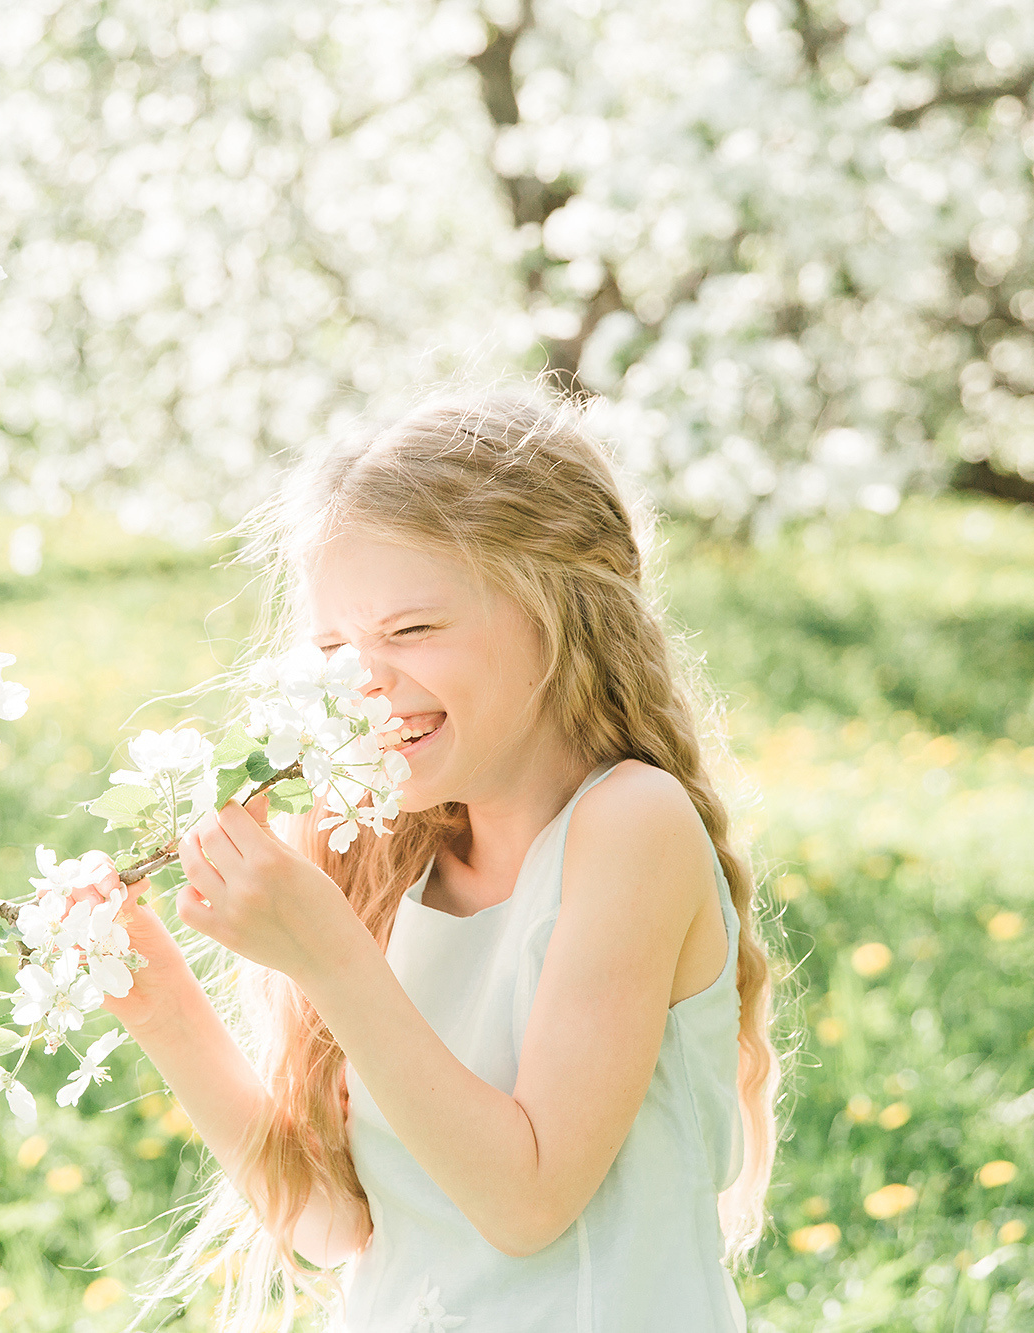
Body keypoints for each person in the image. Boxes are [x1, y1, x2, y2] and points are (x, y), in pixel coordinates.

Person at [67, 391, 784, 1331]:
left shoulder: (630, 827)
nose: (363, 683)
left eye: (411, 631)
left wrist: (328, 956)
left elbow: (526, 1202)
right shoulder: (383, 856)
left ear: (560, 614)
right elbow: (338, 1223)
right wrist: (161, 1001)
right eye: (331, 647)